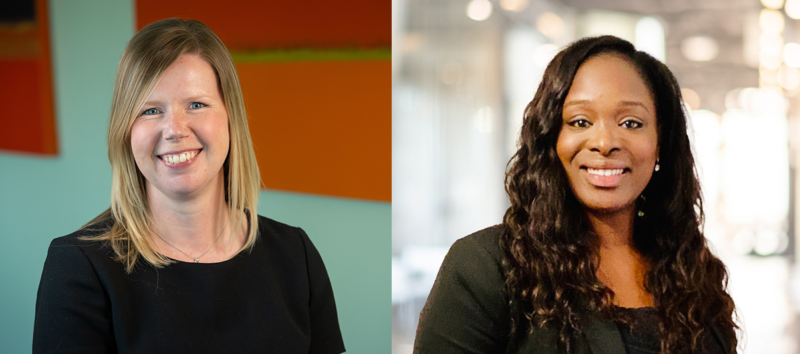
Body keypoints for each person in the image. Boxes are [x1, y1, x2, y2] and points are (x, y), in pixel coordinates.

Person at [33, 19, 345, 354]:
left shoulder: (295, 255)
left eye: (196, 104)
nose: (174, 130)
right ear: (126, 131)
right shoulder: (79, 268)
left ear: (230, 117)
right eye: (151, 110)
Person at [414, 36, 738, 354]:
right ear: (552, 138)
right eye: (580, 121)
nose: (604, 142)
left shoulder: (692, 272)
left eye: (631, 122)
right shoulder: (486, 268)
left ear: (661, 143)